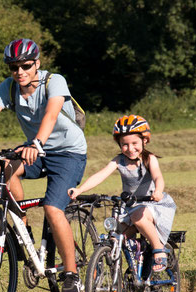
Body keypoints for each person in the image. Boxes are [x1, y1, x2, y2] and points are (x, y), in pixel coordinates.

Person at [0, 38, 88, 292]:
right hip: (34, 149)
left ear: (36, 63)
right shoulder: (10, 87)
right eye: (13, 67)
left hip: (68, 152)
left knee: (52, 207)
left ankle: (71, 274)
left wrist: (37, 143)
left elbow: (51, 115)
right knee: (5, 166)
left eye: (26, 65)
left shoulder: (54, 81)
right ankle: (21, 229)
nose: (20, 72)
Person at [68, 115, 176, 272]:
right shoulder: (119, 160)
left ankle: (159, 249)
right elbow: (100, 175)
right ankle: (117, 283)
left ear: (144, 141)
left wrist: (158, 191)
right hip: (130, 206)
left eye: (134, 143)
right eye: (124, 144)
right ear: (119, 144)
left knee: (138, 216)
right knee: (116, 238)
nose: (130, 148)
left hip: (152, 204)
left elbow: (158, 176)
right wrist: (80, 190)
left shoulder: (149, 159)